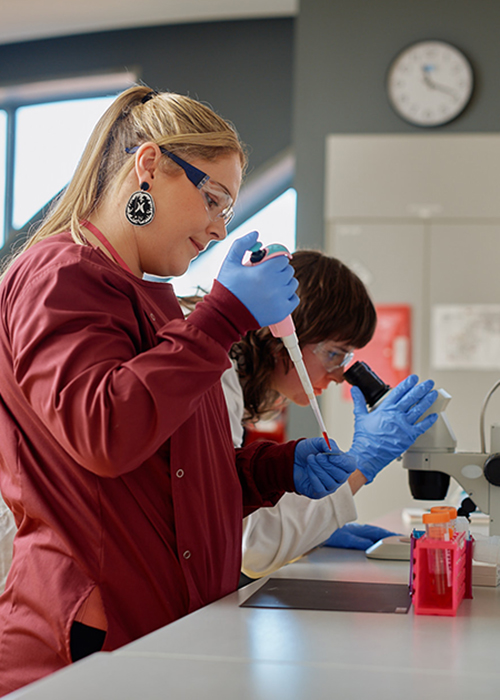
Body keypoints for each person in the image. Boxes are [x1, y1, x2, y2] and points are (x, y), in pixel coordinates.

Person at [0, 86, 365, 695]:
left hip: (172, 627)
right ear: (149, 166)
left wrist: (275, 470)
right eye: (214, 199)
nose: (221, 229)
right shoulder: (59, 274)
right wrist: (221, 318)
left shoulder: (157, 301)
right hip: (90, 640)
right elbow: (103, 435)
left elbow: (177, 477)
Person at [223, 250, 437, 579]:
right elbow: (250, 545)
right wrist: (361, 463)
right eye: (334, 353)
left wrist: (318, 529)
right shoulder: (220, 382)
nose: (339, 375)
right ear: (285, 333)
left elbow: (246, 516)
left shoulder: (234, 380)